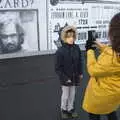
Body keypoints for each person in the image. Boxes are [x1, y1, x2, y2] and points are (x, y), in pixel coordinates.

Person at [82, 12, 120, 120]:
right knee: (111, 112)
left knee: (94, 114)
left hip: (100, 96)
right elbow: (112, 51)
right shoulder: (115, 53)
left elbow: (93, 70)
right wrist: (100, 45)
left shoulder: (111, 59)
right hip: (114, 96)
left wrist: (89, 51)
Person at [55, 26, 83, 119]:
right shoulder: (60, 51)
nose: (71, 39)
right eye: (68, 37)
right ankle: (63, 109)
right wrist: (65, 78)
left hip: (75, 77)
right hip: (65, 78)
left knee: (72, 94)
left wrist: (80, 73)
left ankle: (70, 108)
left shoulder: (77, 48)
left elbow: (80, 61)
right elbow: (58, 68)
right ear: (64, 37)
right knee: (65, 96)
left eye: (72, 36)